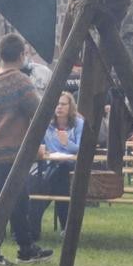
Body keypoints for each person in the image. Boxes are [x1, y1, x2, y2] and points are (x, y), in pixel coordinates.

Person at [0, 33, 53, 264]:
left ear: (0, 55)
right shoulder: (20, 81)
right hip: (12, 150)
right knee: (3, 200)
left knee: (19, 198)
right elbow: (39, 114)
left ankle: (26, 248)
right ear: (22, 55)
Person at [29, 91, 84, 237]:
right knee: (57, 184)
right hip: (51, 165)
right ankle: (65, 227)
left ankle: (33, 230)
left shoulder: (78, 124)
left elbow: (82, 148)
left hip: (73, 166)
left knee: (47, 184)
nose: (59, 107)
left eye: (63, 104)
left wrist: (67, 143)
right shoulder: (48, 125)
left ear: (70, 106)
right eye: (57, 104)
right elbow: (39, 145)